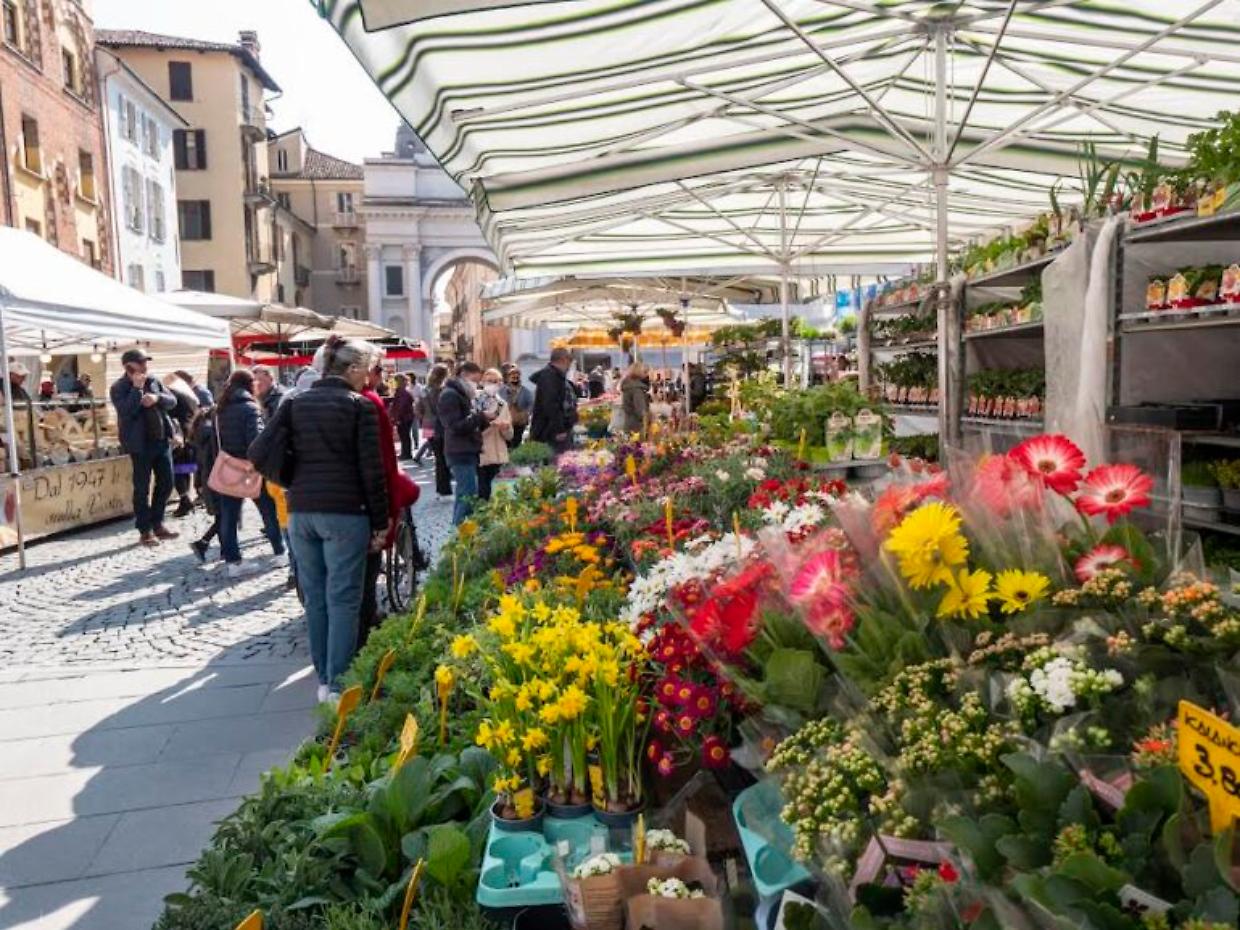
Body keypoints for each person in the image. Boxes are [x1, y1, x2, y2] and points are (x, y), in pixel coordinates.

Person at [249, 336, 389, 702]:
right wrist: (380, 522)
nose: (370, 376)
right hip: (346, 513)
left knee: (315, 597)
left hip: (302, 513)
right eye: (369, 368)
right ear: (354, 368)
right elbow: (371, 471)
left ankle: (325, 679)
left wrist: (295, 478)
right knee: (343, 598)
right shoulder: (359, 406)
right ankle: (339, 684)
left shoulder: (296, 401)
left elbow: (260, 451)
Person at [358, 361, 420, 646]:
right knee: (363, 575)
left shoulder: (295, 402)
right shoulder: (368, 402)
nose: (381, 376)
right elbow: (382, 462)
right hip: (359, 505)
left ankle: (329, 667)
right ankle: (360, 640)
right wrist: (384, 517)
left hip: (307, 507)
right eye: (377, 371)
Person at [214, 369, 286, 578]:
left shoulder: (222, 408)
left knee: (228, 516)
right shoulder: (250, 408)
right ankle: (280, 552)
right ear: (250, 385)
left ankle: (233, 562)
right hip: (251, 468)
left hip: (229, 467)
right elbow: (256, 440)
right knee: (268, 511)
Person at [109, 349, 179, 547]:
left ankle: (158, 523)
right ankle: (145, 530)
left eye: (145, 362)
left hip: (161, 440)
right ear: (129, 366)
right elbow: (126, 411)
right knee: (141, 488)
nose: (145, 365)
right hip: (139, 445)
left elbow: (172, 401)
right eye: (141, 362)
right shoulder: (119, 387)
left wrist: (157, 398)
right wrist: (137, 389)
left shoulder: (154, 380)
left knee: (166, 483)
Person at [436, 361, 497, 525]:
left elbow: (467, 422)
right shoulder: (450, 395)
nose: (476, 385)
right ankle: (459, 532)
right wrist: (480, 416)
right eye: (475, 380)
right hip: (459, 452)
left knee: (466, 493)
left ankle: (460, 532)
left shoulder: (461, 393)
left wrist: (483, 418)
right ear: (464, 375)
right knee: (468, 494)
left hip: (466, 450)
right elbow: (455, 425)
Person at [530, 347, 577, 456]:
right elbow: (551, 405)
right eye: (569, 362)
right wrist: (559, 429)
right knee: (555, 463)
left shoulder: (555, 376)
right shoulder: (550, 377)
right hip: (550, 433)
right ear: (563, 360)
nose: (569, 367)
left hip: (554, 431)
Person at [188, 407, 220, 564]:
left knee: (224, 516)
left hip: (207, 480)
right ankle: (203, 543)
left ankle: (206, 544)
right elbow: (208, 461)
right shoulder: (210, 434)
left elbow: (199, 464)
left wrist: (198, 484)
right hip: (216, 480)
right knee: (225, 517)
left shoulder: (200, 433)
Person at [166, 375, 201, 517]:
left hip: (179, 436)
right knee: (185, 469)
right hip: (190, 433)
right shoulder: (189, 396)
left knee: (178, 469)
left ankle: (185, 499)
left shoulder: (173, 395)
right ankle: (187, 498)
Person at [419, 364, 454, 501]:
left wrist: (424, 418)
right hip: (440, 427)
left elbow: (418, 409)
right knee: (443, 459)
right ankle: (445, 490)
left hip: (427, 426)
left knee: (438, 458)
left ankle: (441, 490)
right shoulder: (443, 390)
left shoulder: (425, 390)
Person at [478, 368, 514, 500]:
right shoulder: (475, 401)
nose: (493, 384)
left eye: (497, 381)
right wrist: (489, 424)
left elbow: (510, 436)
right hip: (480, 453)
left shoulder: (502, 404)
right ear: (482, 382)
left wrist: (505, 428)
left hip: (498, 454)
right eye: (490, 381)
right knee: (482, 490)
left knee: (497, 492)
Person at [501, 366, 532, 450]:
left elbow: (531, 405)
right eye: (512, 375)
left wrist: (525, 414)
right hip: (505, 422)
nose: (515, 377)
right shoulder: (502, 390)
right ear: (508, 377)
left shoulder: (526, 392)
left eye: (516, 375)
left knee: (516, 443)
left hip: (519, 423)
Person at [389, 373, 416, 461]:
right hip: (406, 416)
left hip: (404, 417)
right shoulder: (402, 391)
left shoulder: (402, 392)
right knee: (404, 435)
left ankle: (407, 454)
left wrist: (396, 417)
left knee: (404, 435)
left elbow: (401, 406)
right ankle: (405, 453)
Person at [620, 361, 651, 434]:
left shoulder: (628, 385)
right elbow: (640, 410)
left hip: (628, 422)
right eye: (645, 372)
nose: (647, 374)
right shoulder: (637, 389)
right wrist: (648, 418)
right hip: (637, 427)